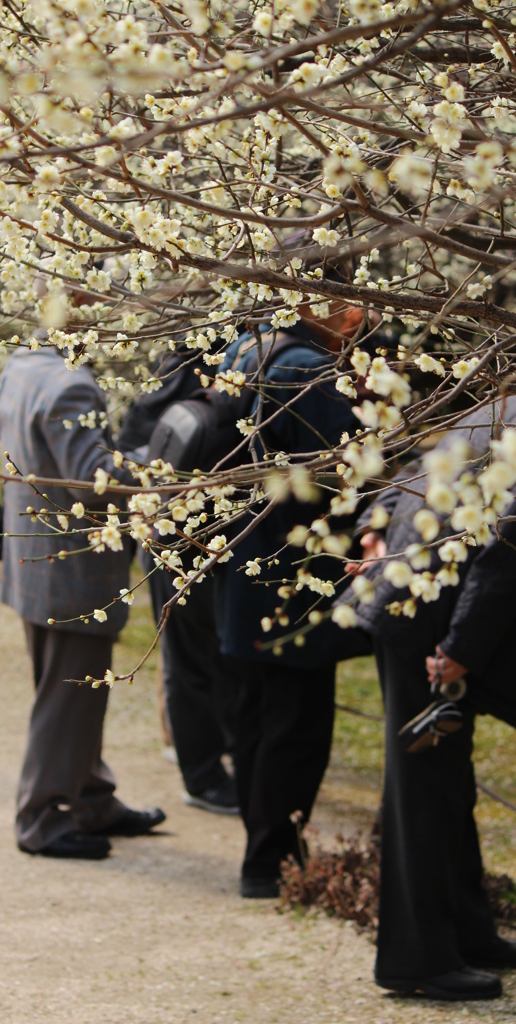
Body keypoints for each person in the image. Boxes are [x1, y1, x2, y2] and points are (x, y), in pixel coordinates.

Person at [346, 400, 516, 1000]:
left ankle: (467, 931)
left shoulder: (503, 399)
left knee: (446, 782)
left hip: (427, 594)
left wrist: (372, 526)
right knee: (422, 788)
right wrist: (461, 651)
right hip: (425, 616)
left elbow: (414, 468)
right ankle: (414, 959)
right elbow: (507, 549)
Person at [215, 293, 369, 898]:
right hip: (294, 572)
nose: (358, 314)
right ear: (323, 303)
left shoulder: (244, 350)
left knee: (255, 716)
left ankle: (264, 852)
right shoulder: (308, 370)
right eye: (350, 301)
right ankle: (273, 860)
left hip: (244, 561)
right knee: (296, 723)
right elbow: (352, 469)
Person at [0, 344, 165, 860]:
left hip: (39, 564)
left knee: (70, 695)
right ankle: (42, 818)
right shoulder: (71, 384)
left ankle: (92, 797)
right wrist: (165, 471)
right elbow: (93, 476)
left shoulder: (23, 365)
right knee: (67, 698)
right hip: (73, 572)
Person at [118, 348, 239, 814]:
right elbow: (143, 432)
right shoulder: (195, 350)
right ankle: (202, 774)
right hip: (180, 525)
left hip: (207, 522)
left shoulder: (236, 339)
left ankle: (211, 755)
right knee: (189, 652)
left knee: (205, 651)